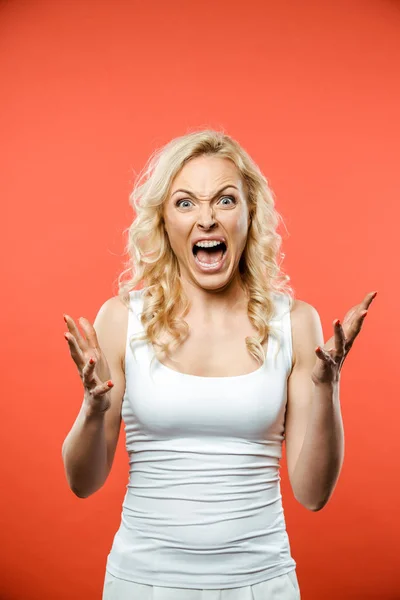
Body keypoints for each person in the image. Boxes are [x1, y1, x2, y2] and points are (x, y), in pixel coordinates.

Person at [62, 129, 377, 600]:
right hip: (142, 583)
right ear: (164, 221)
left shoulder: (295, 323)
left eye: (225, 201)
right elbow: (83, 483)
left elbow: (313, 495)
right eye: (186, 203)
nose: (207, 219)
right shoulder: (121, 320)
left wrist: (328, 387)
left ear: (250, 215)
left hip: (261, 584)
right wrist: (91, 409)